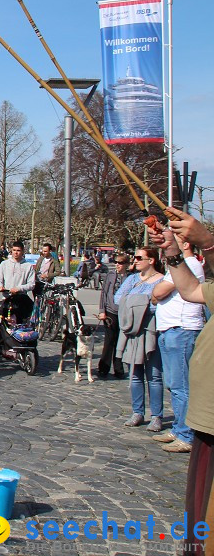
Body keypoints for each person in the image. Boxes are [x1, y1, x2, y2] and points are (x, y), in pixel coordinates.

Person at [145, 208, 214, 556]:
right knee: (198, 520)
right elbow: (192, 291)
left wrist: (208, 243)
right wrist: (172, 251)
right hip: (207, 420)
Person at [150, 238, 205, 453]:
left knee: (181, 384)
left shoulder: (189, 266)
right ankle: (178, 427)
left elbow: (158, 292)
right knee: (173, 383)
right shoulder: (176, 267)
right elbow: (157, 292)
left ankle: (186, 434)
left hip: (181, 329)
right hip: (169, 329)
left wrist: (158, 292)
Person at [114, 245, 165, 432]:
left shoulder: (162, 280)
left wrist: (134, 302)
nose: (134, 261)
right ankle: (137, 412)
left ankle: (157, 416)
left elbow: (158, 305)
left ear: (151, 260)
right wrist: (144, 300)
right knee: (134, 374)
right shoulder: (132, 279)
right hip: (132, 331)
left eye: (138, 258)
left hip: (151, 329)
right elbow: (118, 299)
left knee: (154, 375)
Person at [97, 253, 130, 379]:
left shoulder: (130, 277)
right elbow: (104, 293)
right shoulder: (110, 276)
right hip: (110, 311)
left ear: (126, 264)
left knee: (120, 341)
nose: (117, 265)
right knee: (109, 340)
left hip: (123, 312)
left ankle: (118, 368)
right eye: (116, 262)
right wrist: (102, 310)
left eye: (120, 263)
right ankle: (103, 367)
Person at [0, 241, 36, 324]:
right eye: (14, 250)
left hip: (21, 299)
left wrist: (19, 288)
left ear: (23, 252)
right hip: (7, 298)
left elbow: (32, 284)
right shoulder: (4, 264)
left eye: (18, 250)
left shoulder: (28, 266)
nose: (16, 253)